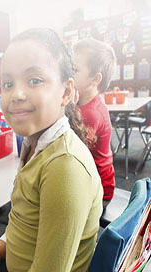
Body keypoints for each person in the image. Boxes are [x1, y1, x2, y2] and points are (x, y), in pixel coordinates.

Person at [0, 28, 103, 272]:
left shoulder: (64, 168)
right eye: (7, 83)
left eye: (34, 80)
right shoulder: (34, 144)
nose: (16, 94)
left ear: (66, 92)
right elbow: (25, 221)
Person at [73, 38, 116, 209]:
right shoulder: (81, 101)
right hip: (86, 180)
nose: (68, 72)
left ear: (95, 79)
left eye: (74, 69)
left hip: (98, 191)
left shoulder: (92, 114)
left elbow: (71, 154)